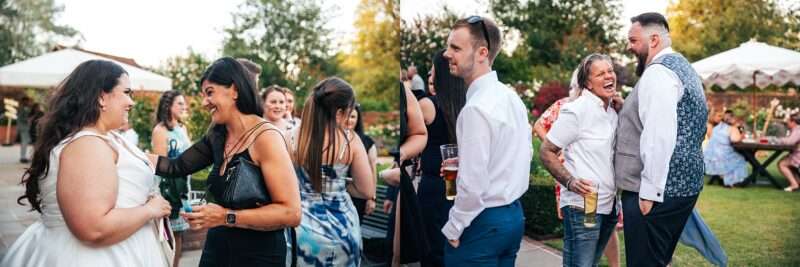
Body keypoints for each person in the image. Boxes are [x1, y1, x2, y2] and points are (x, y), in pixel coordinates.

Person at [1, 60, 172, 267]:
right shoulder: (87, 145)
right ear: (101, 97)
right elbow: (93, 227)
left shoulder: (107, 138)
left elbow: (165, 164)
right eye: (126, 92)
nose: (131, 102)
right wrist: (150, 210)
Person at [150, 57, 301, 266]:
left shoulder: (266, 137)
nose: (204, 102)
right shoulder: (218, 135)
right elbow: (176, 166)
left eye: (210, 92)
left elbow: (291, 213)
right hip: (217, 248)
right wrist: (123, 151)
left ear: (235, 90)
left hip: (258, 255)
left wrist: (226, 217)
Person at [616, 12, 708, 266]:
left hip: (657, 191)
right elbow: (678, 122)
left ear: (654, 39)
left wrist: (649, 192)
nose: (629, 46)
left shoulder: (658, 74)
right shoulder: (684, 68)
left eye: (633, 40)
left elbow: (659, 135)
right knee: (658, 260)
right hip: (686, 185)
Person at [441, 16, 532, 266]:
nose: (447, 53)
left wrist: (454, 226)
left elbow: (472, 185)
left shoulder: (476, 109)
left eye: (455, 48)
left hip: (481, 222)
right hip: (513, 218)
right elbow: (522, 154)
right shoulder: (511, 98)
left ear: (482, 53)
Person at [540, 54, 619, 267]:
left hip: (609, 206)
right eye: (600, 73)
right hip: (583, 206)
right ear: (587, 83)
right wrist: (570, 182)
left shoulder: (612, 112)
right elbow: (546, 151)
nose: (608, 76)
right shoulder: (576, 110)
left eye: (610, 71)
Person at [292, 77, 376, 266]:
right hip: (342, 229)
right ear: (339, 112)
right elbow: (367, 190)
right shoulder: (350, 141)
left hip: (301, 230)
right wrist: (339, 184)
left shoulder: (291, 137)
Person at [416, 49, 467, 267]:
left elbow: (409, 136)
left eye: (432, 70)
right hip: (459, 185)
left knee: (432, 249)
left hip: (434, 186)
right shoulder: (466, 104)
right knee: (454, 247)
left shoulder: (428, 105)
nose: (429, 75)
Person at [151, 90, 191, 267]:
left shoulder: (182, 128)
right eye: (180, 104)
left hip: (184, 185)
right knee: (168, 234)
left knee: (180, 233)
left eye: (184, 103)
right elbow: (161, 165)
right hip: (168, 187)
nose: (184, 107)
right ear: (169, 106)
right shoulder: (160, 131)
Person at [345, 104, 378, 221]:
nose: (349, 120)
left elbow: (372, 170)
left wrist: (372, 198)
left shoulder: (367, 142)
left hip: (358, 195)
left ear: (358, 119)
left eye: (353, 117)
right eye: (346, 116)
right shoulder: (334, 140)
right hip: (338, 195)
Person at [704, 110, 748, 187]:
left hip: (711, 156)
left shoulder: (716, 127)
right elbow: (735, 139)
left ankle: (724, 178)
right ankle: (732, 180)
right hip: (723, 156)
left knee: (735, 156)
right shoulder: (732, 128)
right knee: (741, 158)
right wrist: (741, 135)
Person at [778, 113, 800, 191]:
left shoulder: (797, 130)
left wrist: (780, 140)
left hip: (798, 155)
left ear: (793, 122)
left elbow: (790, 142)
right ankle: (797, 182)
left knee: (782, 164)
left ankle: (794, 184)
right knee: (787, 163)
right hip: (796, 153)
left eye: (788, 121)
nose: (787, 122)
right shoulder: (796, 129)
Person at [17, 97, 32, 163]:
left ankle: (23, 156)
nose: (29, 102)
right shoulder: (22, 109)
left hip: (24, 127)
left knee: (25, 142)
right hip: (23, 127)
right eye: (28, 101)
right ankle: (23, 157)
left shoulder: (24, 108)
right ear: (24, 101)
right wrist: (29, 120)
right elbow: (22, 118)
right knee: (24, 142)